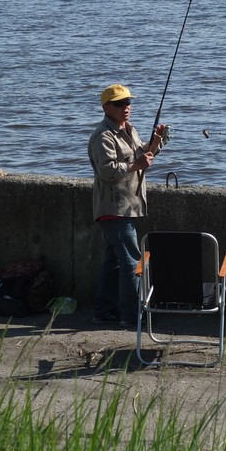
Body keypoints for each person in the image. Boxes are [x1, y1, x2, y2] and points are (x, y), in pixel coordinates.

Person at [88, 83, 168, 327]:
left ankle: (104, 311)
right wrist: (136, 164)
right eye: (120, 103)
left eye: (128, 102)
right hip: (114, 209)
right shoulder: (103, 136)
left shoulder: (129, 130)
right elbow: (107, 171)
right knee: (132, 262)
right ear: (106, 108)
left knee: (114, 261)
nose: (126, 107)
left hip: (127, 207)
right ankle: (132, 316)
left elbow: (141, 155)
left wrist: (156, 143)